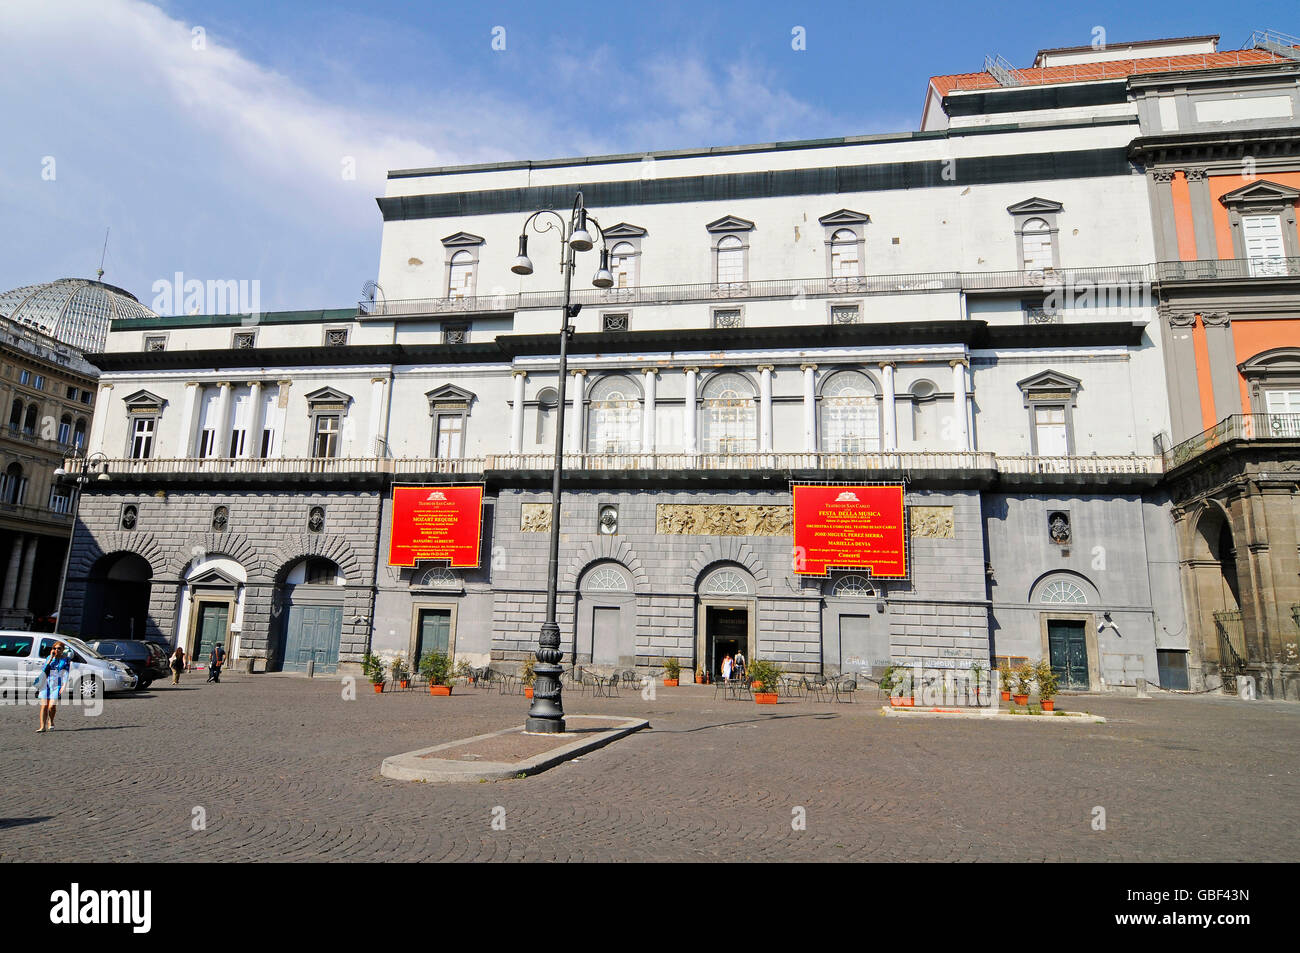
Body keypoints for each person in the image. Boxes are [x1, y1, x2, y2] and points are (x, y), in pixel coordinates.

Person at [35, 642, 71, 733]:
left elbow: (66, 672)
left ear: (63, 650)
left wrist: (64, 685)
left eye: (59, 648)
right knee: (44, 706)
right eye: (55, 648)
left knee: (51, 706)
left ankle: (51, 721)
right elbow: (44, 670)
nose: (57, 650)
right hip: (45, 684)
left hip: (56, 685)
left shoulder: (66, 660)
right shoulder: (49, 658)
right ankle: (42, 727)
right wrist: (51, 658)